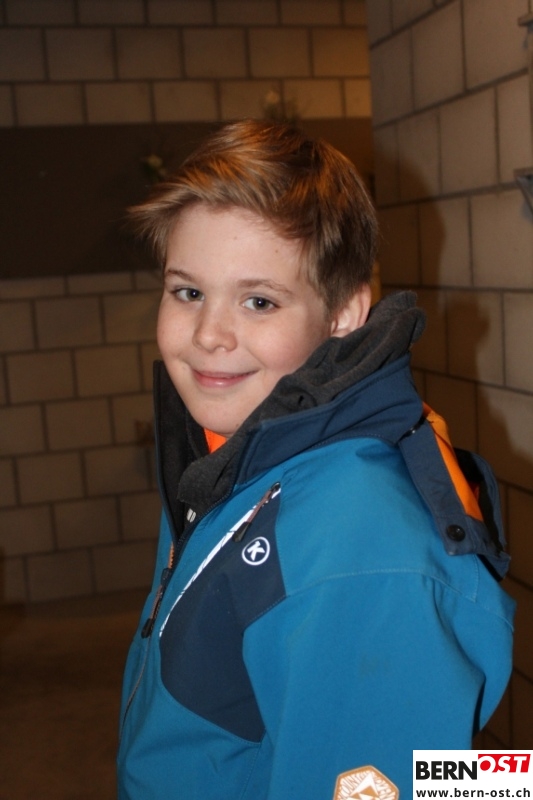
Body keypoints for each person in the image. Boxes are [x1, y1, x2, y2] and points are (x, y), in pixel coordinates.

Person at [117, 119, 515, 800]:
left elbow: (422, 780)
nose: (209, 334)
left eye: (259, 301)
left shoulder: (362, 548)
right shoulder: (231, 454)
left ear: (342, 315)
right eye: (187, 292)